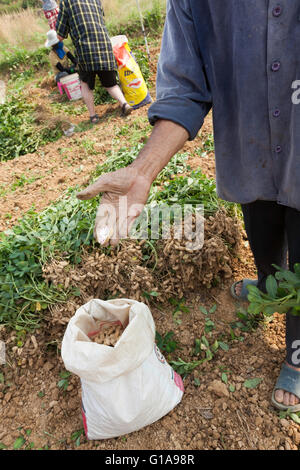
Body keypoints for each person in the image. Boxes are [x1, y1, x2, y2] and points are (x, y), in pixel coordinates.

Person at [76, 1, 300, 411]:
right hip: (250, 153)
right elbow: (184, 89)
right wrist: (142, 171)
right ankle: (268, 286)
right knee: (263, 234)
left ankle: (297, 356)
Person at [55, 0, 132, 123]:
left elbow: (60, 35)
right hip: (104, 46)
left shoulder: (66, 2)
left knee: (85, 84)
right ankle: (124, 104)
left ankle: (93, 116)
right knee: (110, 83)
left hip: (86, 49)